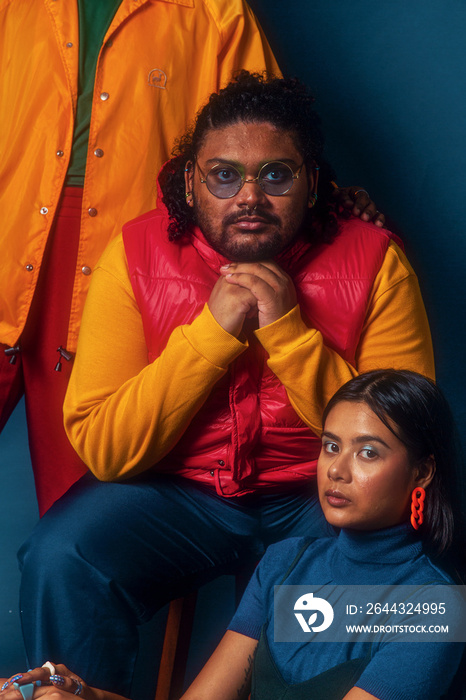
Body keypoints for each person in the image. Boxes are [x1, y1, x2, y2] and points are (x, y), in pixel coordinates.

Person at [18, 72, 433, 697]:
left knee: (414, 598)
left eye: (276, 175)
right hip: (180, 496)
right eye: (222, 175)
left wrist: (290, 334)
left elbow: (403, 441)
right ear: (191, 181)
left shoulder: (376, 260)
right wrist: (211, 334)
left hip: (319, 503)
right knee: (61, 556)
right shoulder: (133, 255)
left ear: (313, 183)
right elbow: (105, 449)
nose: (249, 197)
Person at [0, 0, 379, 517]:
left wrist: (326, 198)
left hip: (126, 268)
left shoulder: (215, 11)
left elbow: (259, 128)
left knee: (83, 506)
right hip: (11, 233)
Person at [3, 370, 465, 699]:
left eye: (368, 452)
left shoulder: (433, 608)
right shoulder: (287, 562)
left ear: (422, 471)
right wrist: (83, 695)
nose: (337, 471)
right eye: (330, 446)